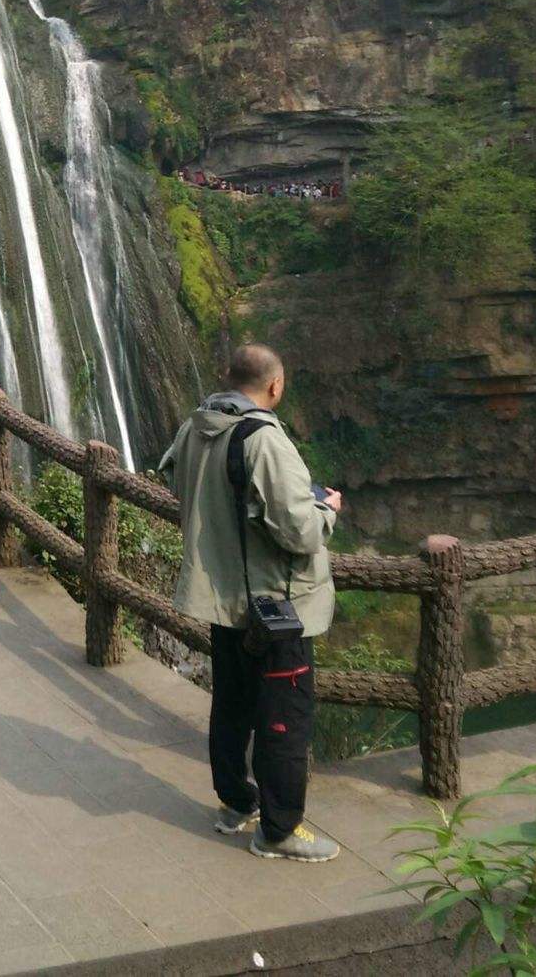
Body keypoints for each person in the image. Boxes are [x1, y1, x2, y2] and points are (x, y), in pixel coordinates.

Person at [161, 344, 341, 863]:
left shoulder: (196, 427)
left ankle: (236, 804)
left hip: (223, 600)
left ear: (228, 377)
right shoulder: (264, 440)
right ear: (276, 386)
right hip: (275, 610)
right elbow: (301, 533)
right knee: (285, 718)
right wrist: (325, 510)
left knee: (233, 705)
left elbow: (180, 485)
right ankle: (281, 831)